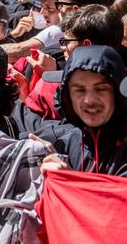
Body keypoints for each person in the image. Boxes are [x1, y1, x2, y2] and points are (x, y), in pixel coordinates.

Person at [39, 46, 126, 176]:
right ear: (68, 97)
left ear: (117, 93)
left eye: (101, 89)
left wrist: (70, 182)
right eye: (79, 90)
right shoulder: (66, 144)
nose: (89, 100)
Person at [3, 0, 115, 62]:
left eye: (59, 5)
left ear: (74, 10)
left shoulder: (56, 31)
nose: (59, 10)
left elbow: (14, 53)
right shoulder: (114, 38)